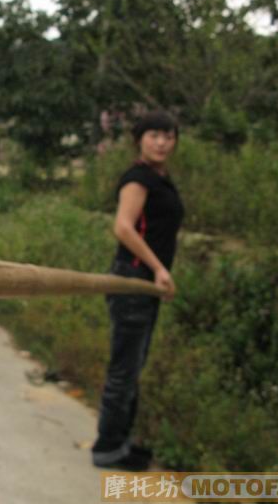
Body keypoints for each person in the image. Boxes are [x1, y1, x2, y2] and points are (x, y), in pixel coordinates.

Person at [92, 110, 185, 471]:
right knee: (123, 370)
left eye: (168, 136)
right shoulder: (138, 179)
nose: (161, 142)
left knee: (133, 367)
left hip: (146, 285)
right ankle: (107, 448)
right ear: (139, 140)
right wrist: (160, 268)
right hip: (132, 281)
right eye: (154, 135)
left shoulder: (161, 179)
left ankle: (121, 441)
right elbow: (124, 228)